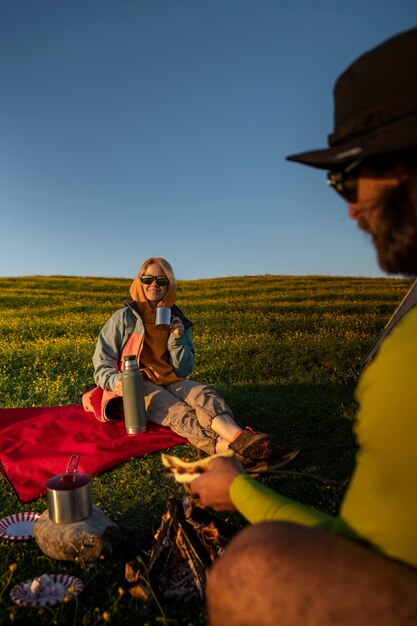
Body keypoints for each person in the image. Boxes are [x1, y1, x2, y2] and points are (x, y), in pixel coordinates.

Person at [190, 27, 417, 626]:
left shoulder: (408, 364)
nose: (349, 206)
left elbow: (359, 553)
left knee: (256, 571)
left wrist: (237, 492)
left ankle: (234, 450)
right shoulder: (121, 319)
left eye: (347, 176)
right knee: (162, 398)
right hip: (138, 389)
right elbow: (106, 369)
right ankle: (232, 443)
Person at [82, 256, 299, 470]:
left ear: (169, 285)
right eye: (148, 279)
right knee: (178, 412)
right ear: (140, 280)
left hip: (170, 378)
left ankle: (241, 439)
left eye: (162, 280)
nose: (154, 284)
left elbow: (184, 369)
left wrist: (177, 337)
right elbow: (102, 360)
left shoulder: (177, 319)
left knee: (203, 394)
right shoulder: (123, 318)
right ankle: (232, 452)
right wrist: (114, 381)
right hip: (138, 383)